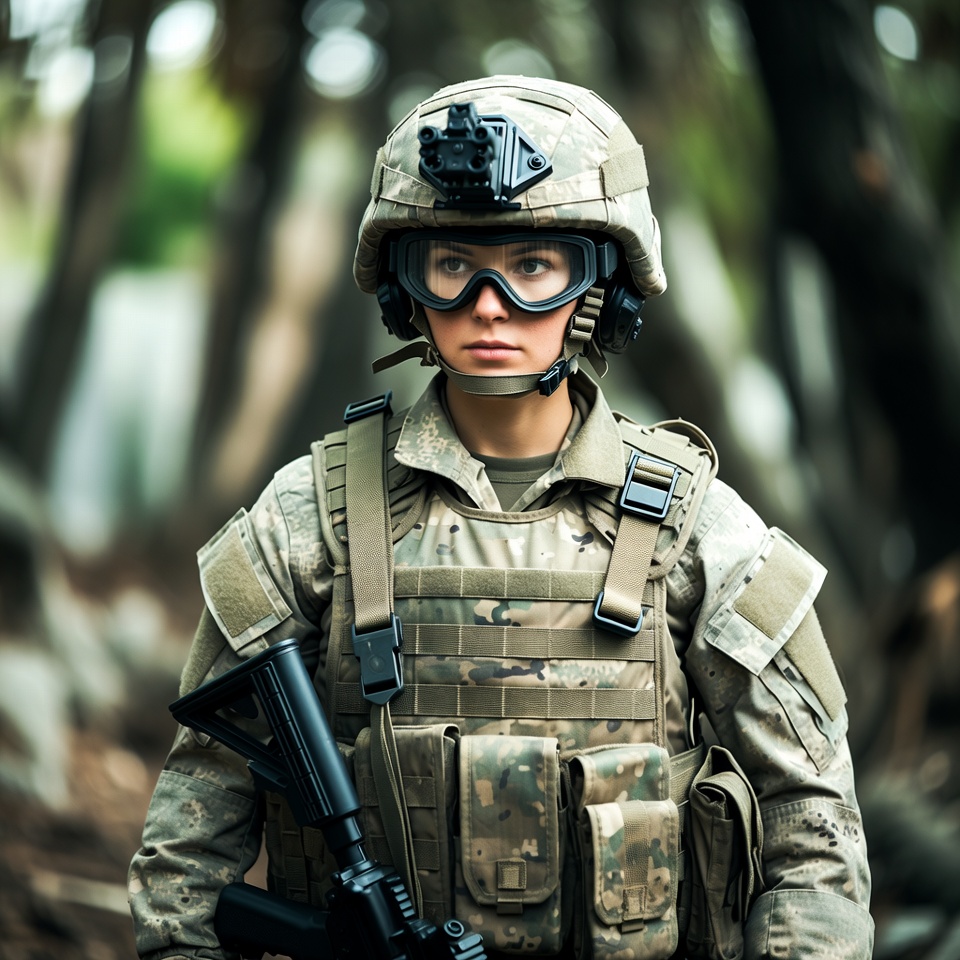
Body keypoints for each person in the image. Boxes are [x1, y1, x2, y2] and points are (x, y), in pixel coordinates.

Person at [129, 75, 873, 960]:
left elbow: (812, 825)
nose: (489, 305)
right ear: (407, 285)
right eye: (453, 267)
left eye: (531, 268)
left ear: (598, 286)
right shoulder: (310, 519)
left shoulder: (693, 524)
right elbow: (190, 839)